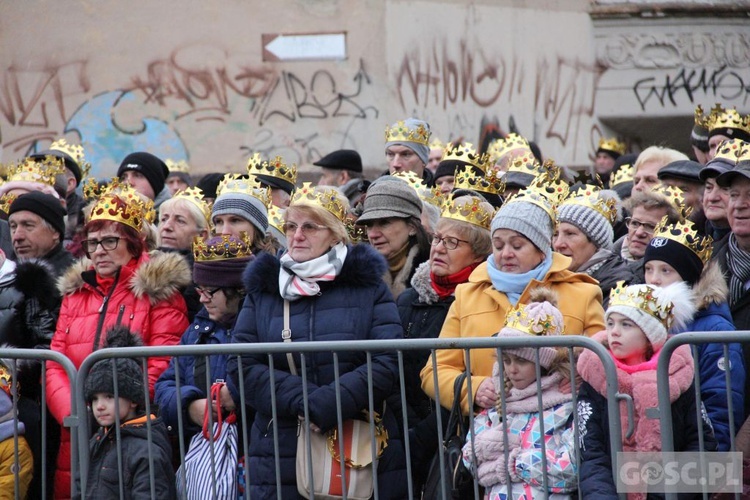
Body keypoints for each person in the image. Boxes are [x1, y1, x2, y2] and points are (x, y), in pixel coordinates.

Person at [228, 184, 407, 498]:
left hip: (356, 445)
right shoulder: (265, 288)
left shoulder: (368, 287)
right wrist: (303, 401)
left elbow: (387, 360)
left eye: (310, 227)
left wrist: (331, 402)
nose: (296, 236)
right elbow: (241, 365)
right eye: (291, 226)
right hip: (278, 449)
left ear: (336, 234)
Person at [420, 168, 605, 416]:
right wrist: (473, 389)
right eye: (498, 245)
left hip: (559, 431)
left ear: (541, 249)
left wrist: (580, 376)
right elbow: (435, 370)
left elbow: (604, 360)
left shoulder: (583, 292)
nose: (506, 253)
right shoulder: (468, 294)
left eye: (517, 245)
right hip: (488, 430)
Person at [46, 183, 189, 499]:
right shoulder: (75, 293)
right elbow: (57, 360)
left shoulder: (157, 291)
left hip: (132, 430)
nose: (98, 250)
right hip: (80, 427)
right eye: (92, 243)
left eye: (109, 241)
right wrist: (75, 410)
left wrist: (124, 403)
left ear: (135, 244)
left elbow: (164, 360)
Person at [576, 282, 716, 496]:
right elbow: (590, 452)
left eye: (626, 325)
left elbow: (701, 445)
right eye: (611, 323)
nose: (614, 332)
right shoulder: (595, 376)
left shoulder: (680, 377)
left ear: (650, 335)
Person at [396, 195, 493, 488]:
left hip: (455, 428)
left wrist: (424, 432)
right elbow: (391, 363)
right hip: (402, 429)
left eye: (452, 243)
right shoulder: (409, 297)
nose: (438, 248)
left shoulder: (480, 300)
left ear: (478, 253)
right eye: (438, 238)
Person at [462, 289, 577, 498]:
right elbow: (469, 458)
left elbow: (569, 469)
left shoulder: (567, 403)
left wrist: (513, 463)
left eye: (522, 361)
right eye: (506, 361)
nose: (512, 369)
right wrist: (487, 448)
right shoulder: (498, 401)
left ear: (544, 362)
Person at [643, 219, 743, 451]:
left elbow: (721, 403)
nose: (653, 279)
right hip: (645, 454)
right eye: (648, 269)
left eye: (665, 270)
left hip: (694, 458)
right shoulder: (639, 322)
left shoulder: (716, 331)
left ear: (688, 278)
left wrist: (710, 465)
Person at [155, 234, 252, 443]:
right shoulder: (196, 330)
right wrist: (190, 406)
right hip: (205, 450)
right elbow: (166, 385)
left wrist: (234, 394)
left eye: (210, 291)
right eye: (200, 290)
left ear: (238, 290)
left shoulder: (260, 325)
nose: (202, 299)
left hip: (252, 445)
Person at [84, 326, 176, 499]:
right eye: (94, 399)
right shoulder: (96, 441)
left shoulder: (146, 451)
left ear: (133, 400)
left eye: (109, 396)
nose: (99, 406)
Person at [554, 187, 637, 306]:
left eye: (570, 234)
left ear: (596, 242)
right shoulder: (546, 278)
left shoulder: (616, 286)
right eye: (555, 234)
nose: (558, 244)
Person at [357, 178, 431, 300]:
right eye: (369, 225)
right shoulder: (358, 274)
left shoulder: (435, 273)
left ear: (412, 227)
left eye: (384, 223)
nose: (373, 234)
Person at [8, 191, 75, 277]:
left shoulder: (75, 282)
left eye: (28, 225)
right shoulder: (4, 275)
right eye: (13, 227)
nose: (17, 236)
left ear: (55, 231)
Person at [212, 174, 278, 255]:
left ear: (257, 228)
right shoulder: (202, 263)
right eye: (219, 221)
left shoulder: (278, 266)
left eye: (235, 220)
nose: (225, 232)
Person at [385, 117, 434, 185]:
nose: (395, 164)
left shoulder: (441, 192)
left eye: (406, 154)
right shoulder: (372, 193)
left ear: (424, 160)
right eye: (391, 154)